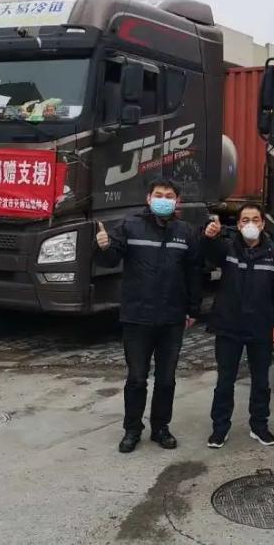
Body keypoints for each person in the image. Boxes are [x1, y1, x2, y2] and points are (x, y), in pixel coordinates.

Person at [95, 178, 202, 454]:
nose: (163, 199)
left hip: (171, 318)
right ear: (148, 198)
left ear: (177, 201)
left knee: (166, 379)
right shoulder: (130, 226)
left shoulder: (185, 232)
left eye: (169, 195)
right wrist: (104, 246)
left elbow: (194, 272)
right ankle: (132, 429)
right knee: (137, 378)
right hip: (137, 317)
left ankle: (160, 428)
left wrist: (193, 308)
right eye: (158, 194)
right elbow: (110, 260)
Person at [202, 203, 274, 448]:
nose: (250, 224)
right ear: (238, 224)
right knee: (225, 381)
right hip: (228, 325)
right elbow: (209, 252)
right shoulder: (228, 248)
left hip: (261, 326)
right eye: (244, 220)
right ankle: (220, 428)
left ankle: (259, 426)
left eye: (255, 219)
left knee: (261, 381)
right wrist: (209, 236)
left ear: (262, 224)